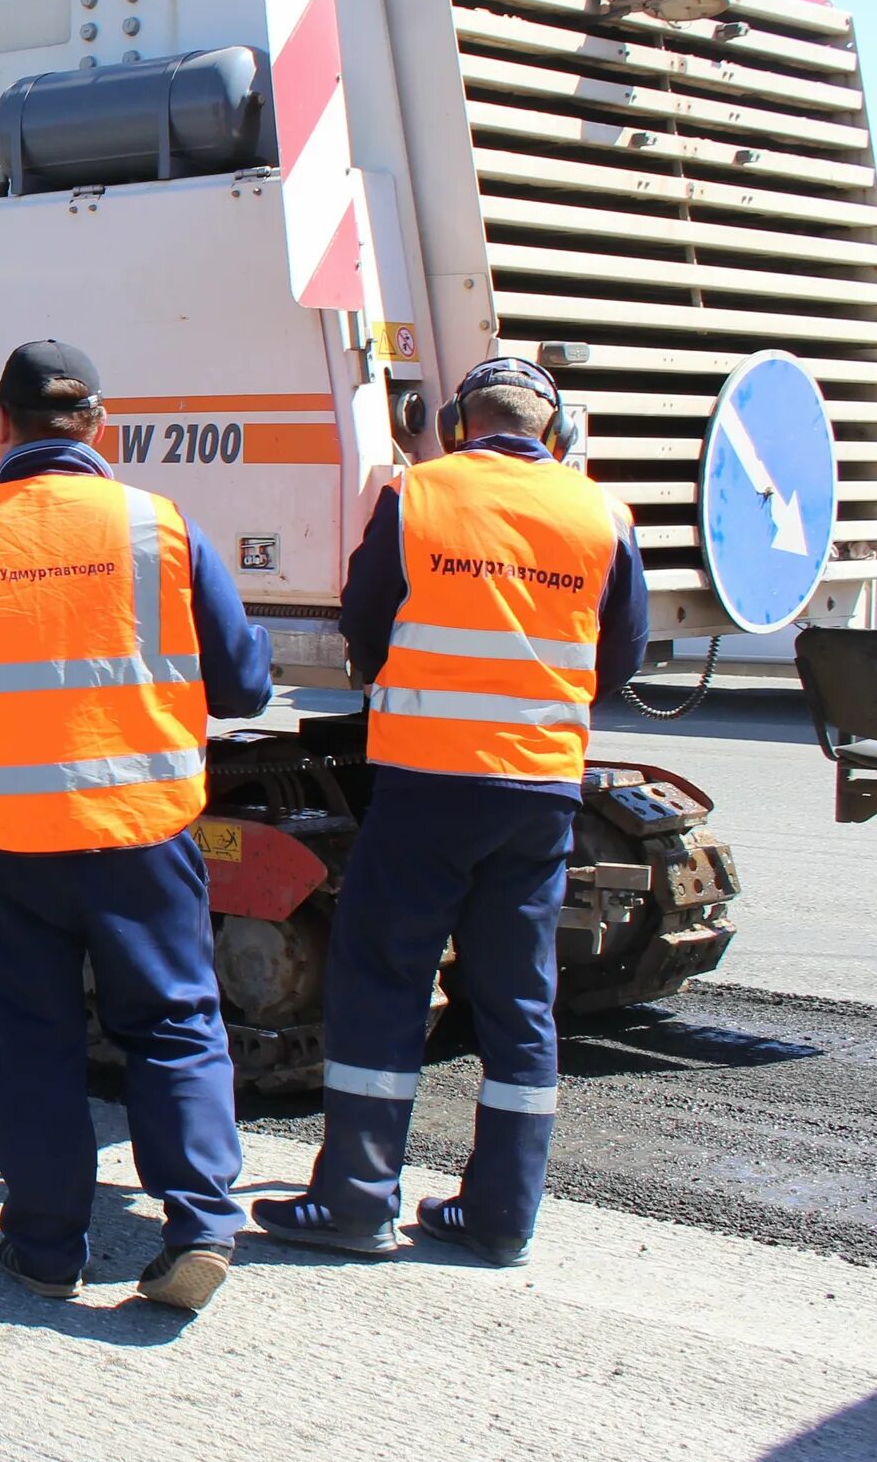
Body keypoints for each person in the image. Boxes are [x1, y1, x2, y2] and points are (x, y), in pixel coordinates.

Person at [0, 341, 275, 1312]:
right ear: (102, 429)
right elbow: (246, 682)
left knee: (29, 1041)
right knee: (175, 1023)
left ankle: (49, 1246)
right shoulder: (159, 527)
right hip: (143, 832)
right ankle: (200, 1223)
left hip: (6, 842)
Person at [254, 358, 646, 1268]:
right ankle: (501, 1216)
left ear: (459, 426)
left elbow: (364, 626)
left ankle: (355, 1202)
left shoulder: (418, 496)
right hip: (540, 792)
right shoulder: (602, 514)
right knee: (518, 1001)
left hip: (428, 785)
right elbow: (616, 660)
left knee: (385, 979)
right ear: (558, 434)